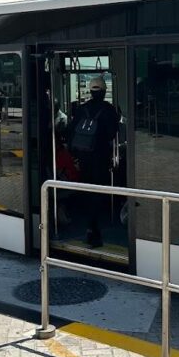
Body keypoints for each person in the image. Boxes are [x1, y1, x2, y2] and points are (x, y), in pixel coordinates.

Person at [67, 75, 120, 248]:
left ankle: (88, 223)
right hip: (101, 156)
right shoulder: (109, 109)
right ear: (104, 91)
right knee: (99, 188)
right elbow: (112, 134)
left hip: (84, 157)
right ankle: (95, 224)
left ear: (90, 91)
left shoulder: (82, 109)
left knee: (86, 188)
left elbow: (72, 132)